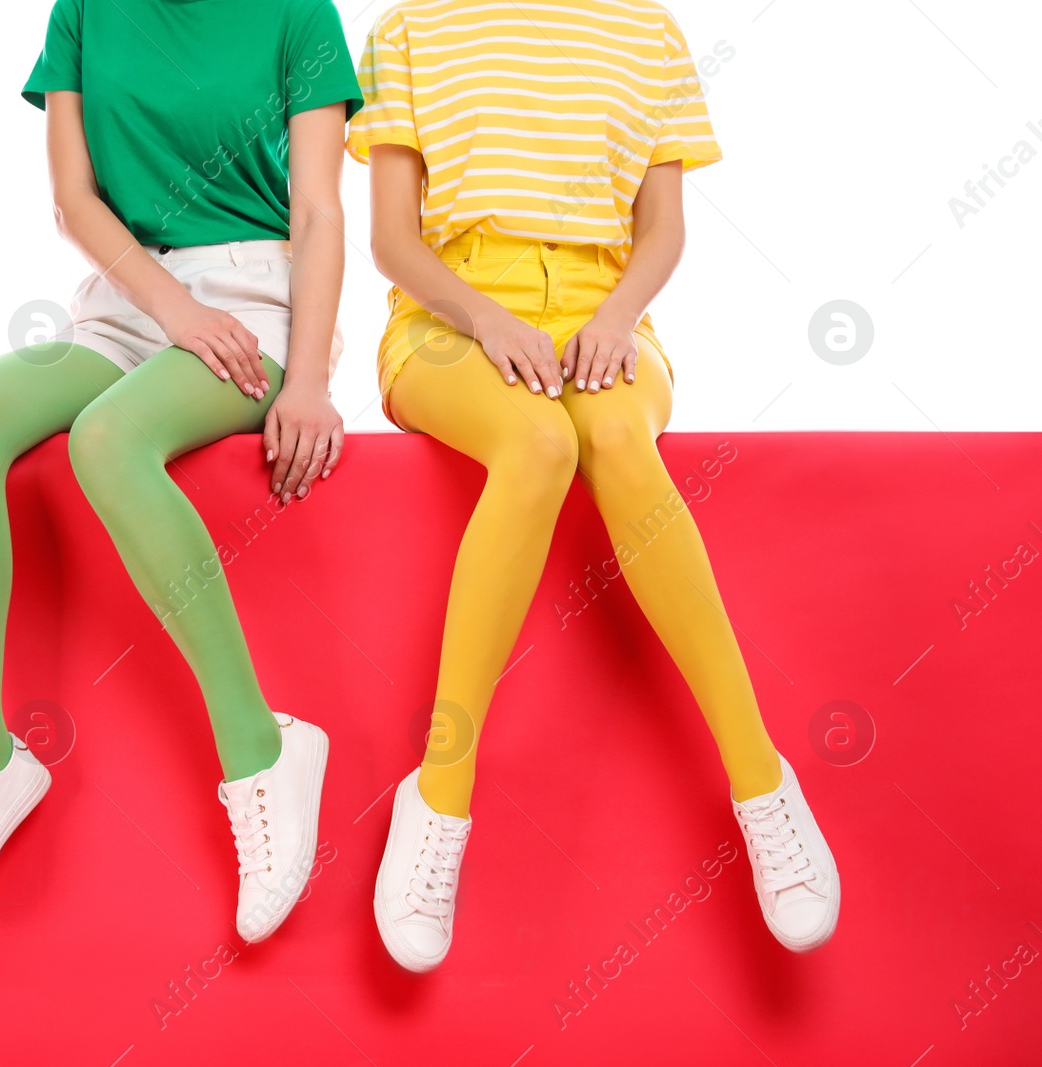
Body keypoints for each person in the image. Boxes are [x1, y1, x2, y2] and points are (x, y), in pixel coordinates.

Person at [347, 0, 840, 971]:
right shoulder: (410, 27)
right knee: (536, 443)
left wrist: (614, 319)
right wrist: (487, 319)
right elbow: (395, 242)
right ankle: (440, 791)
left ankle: (763, 782)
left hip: (607, 317)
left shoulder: (646, 30)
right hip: (450, 318)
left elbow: (661, 230)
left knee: (615, 432)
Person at [0, 0, 364, 941]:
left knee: (106, 438)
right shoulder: (83, 12)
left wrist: (307, 376)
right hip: (129, 301)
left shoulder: (299, 14)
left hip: (257, 299)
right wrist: (169, 309)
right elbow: (74, 199)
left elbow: (316, 210)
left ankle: (262, 750)